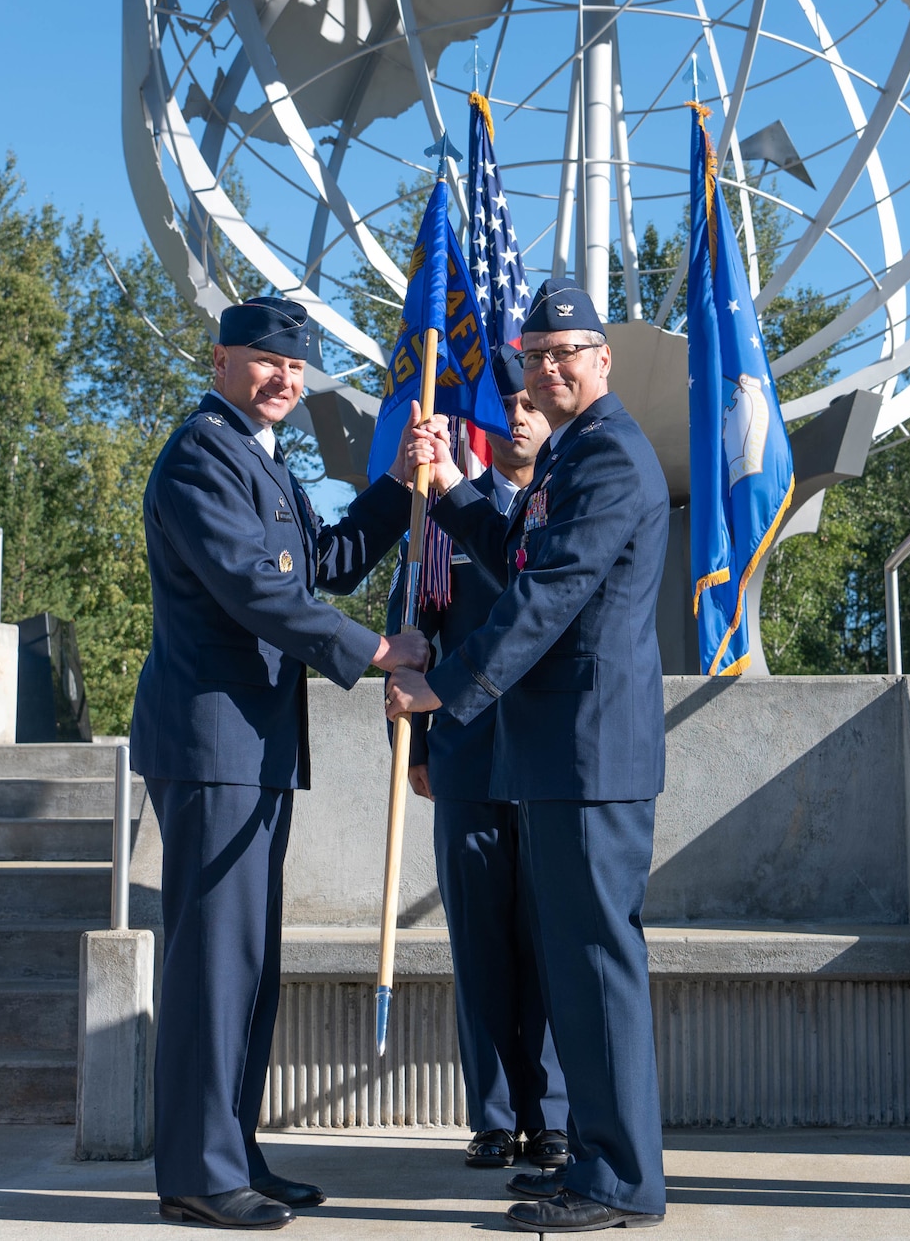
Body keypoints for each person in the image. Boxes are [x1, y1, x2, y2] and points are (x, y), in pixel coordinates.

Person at [131, 295, 428, 1231]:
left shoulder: (261, 458)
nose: (284, 380)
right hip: (211, 743)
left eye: (297, 369)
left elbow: (327, 561)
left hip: (252, 747)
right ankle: (197, 1174)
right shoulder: (198, 456)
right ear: (219, 360)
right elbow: (255, 590)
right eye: (265, 361)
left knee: (249, 966)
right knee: (213, 965)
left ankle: (235, 1152)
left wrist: (398, 481)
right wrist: (374, 653)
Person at [386, 278, 668, 1233]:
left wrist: (446, 684)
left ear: (602, 360)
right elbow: (514, 551)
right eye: (536, 352)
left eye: (566, 352)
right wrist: (452, 489)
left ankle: (622, 1177)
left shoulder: (612, 458)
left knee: (594, 965)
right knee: (573, 963)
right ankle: (594, 1156)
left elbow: (546, 598)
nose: (547, 367)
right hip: (556, 753)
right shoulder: (569, 457)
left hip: (590, 755)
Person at [387, 347, 571, 1173]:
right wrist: (420, 743)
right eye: (504, 405)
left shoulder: (561, 507)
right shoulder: (438, 524)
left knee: (551, 941)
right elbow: (414, 640)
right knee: (481, 946)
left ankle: (555, 1114)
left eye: (529, 401)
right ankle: (494, 1117)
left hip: (545, 763)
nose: (519, 415)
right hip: (463, 760)